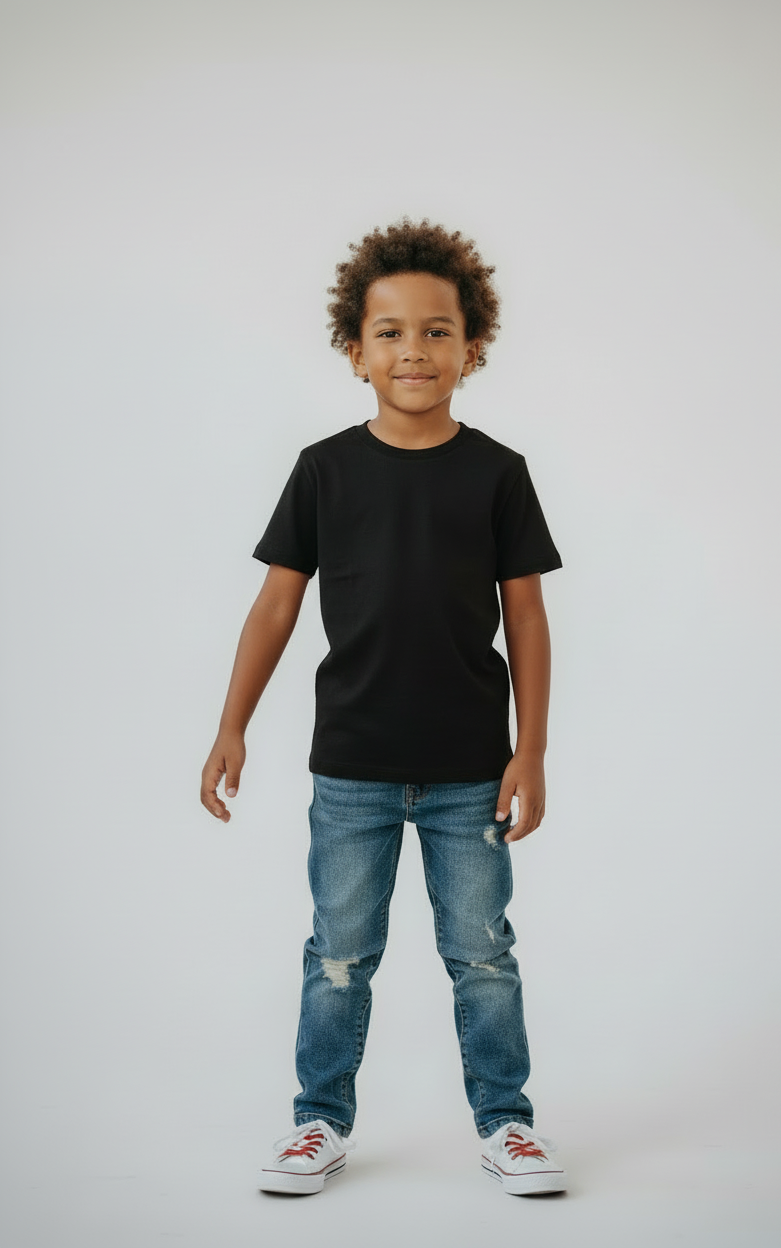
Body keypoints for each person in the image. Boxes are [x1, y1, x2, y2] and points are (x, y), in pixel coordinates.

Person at [200, 218, 568, 1197]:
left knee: (483, 956)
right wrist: (231, 724)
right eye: (393, 332)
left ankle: (508, 1124)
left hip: (468, 774)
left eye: (438, 332)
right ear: (355, 350)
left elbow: (526, 620)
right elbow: (276, 603)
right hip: (351, 769)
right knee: (339, 956)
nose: (416, 351)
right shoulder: (324, 470)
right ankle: (317, 1122)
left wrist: (529, 753)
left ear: (472, 347)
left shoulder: (497, 473)